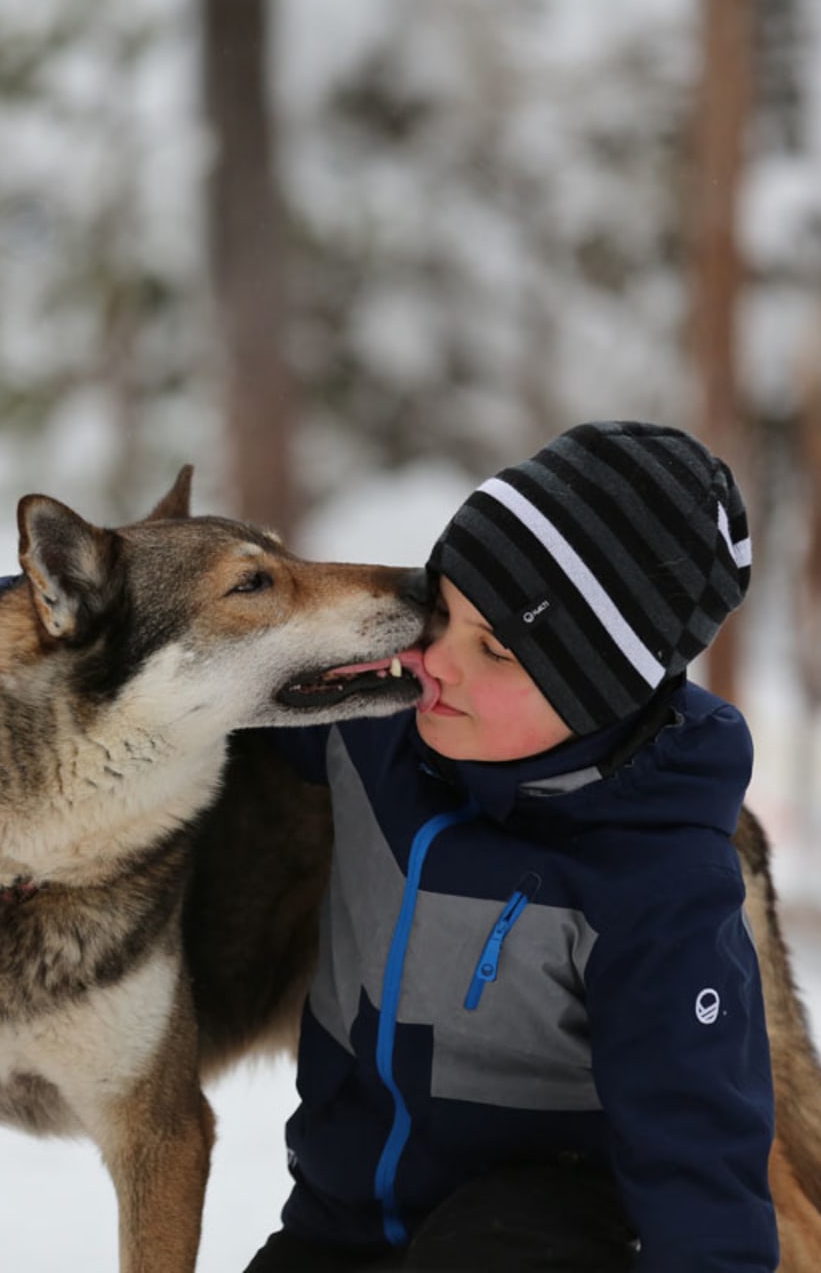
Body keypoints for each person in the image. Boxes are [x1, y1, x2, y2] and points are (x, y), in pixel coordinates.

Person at [242, 421, 777, 1273]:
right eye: (442, 613)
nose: (436, 662)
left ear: (601, 694)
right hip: (344, 1222)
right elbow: (186, 678)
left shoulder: (656, 880)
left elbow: (697, 1152)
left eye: (494, 648)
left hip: (541, 1234)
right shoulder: (376, 727)